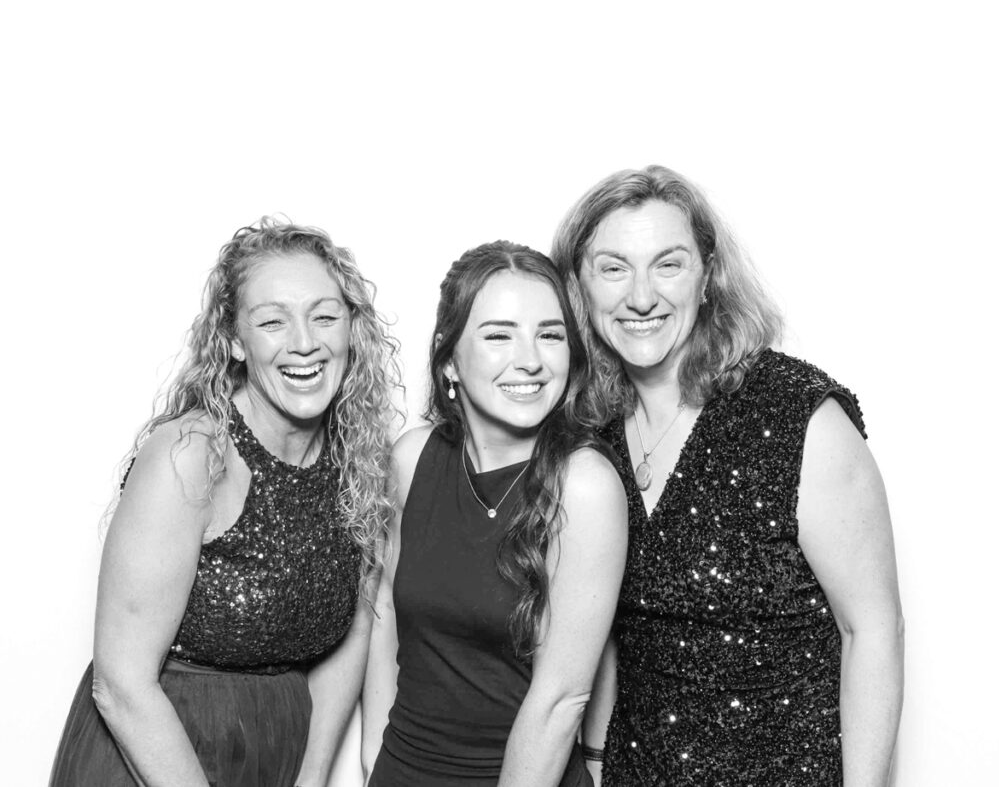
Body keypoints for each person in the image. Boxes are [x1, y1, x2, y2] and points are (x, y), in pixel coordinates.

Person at [551, 166, 904, 786]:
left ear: (708, 276)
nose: (641, 296)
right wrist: (600, 763)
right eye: (613, 268)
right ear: (579, 285)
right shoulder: (589, 430)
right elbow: (611, 636)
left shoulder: (796, 416)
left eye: (669, 264)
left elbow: (871, 627)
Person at [50, 217, 400, 787]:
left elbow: (354, 630)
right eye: (272, 322)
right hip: (154, 753)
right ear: (235, 340)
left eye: (324, 316)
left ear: (350, 329)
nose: (304, 342)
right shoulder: (192, 455)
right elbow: (119, 683)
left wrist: (310, 777)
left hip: (274, 754)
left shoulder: (359, 459)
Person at [361, 241, 628, 787]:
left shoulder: (584, 485)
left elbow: (562, 699)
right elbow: (387, 604)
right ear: (448, 356)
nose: (530, 359)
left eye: (550, 335)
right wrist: (374, 756)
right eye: (499, 334)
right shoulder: (414, 458)